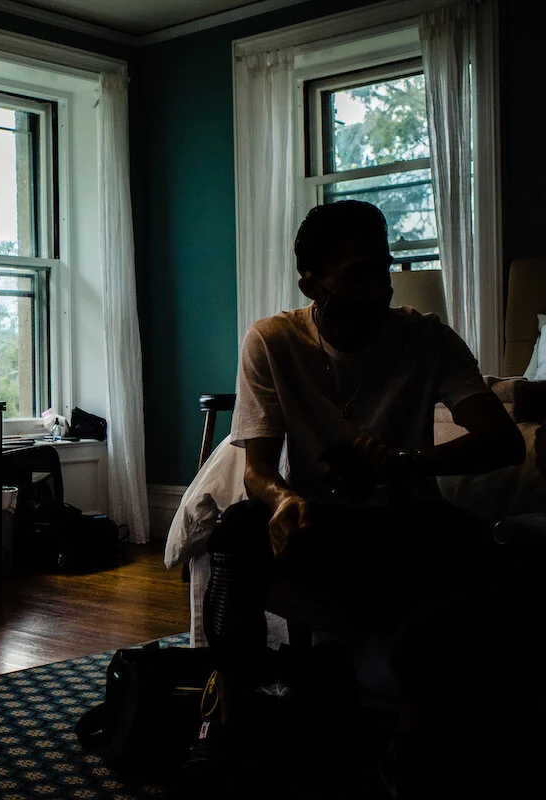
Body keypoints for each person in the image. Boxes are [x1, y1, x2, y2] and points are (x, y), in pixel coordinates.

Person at [179, 201, 525, 797]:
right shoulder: (274, 340)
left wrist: (406, 462)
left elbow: (503, 441)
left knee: (484, 553)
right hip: (313, 522)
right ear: (312, 285)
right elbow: (257, 468)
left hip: (404, 518)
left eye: (384, 270)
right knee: (235, 530)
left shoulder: (426, 337)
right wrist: (282, 502)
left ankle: (411, 738)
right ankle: (230, 723)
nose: (381, 289)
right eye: (359, 275)